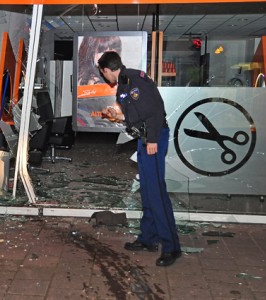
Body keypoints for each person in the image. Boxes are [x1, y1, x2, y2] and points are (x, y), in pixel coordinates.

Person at [98, 51, 181, 267]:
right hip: (145, 139)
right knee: (147, 190)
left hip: (152, 139)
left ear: (106, 70)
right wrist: (118, 116)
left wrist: (152, 139)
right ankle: (148, 238)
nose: (104, 77)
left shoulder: (134, 80)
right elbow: (138, 113)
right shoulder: (125, 83)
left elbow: (155, 111)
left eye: (103, 73)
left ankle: (171, 247)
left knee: (156, 192)